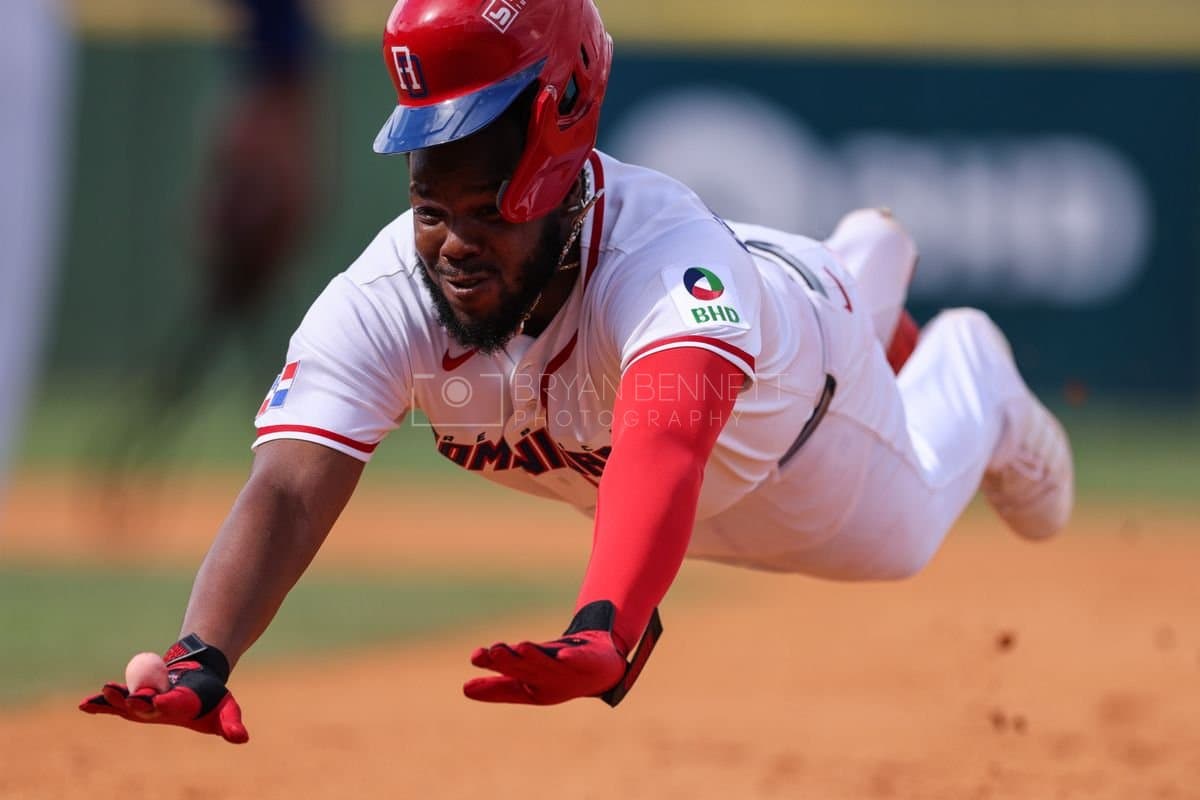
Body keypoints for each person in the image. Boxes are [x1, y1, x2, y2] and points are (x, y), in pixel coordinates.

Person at [80, 0, 1073, 741]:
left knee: (899, 541)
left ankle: (967, 365)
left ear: (556, 164)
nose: (455, 242)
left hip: (807, 436)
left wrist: (603, 622)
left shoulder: (663, 272)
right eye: (433, 203)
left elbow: (667, 446)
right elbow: (291, 487)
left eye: (488, 204)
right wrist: (200, 653)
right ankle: (864, 259)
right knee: (803, 296)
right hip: (746, 325)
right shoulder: (392, 286)